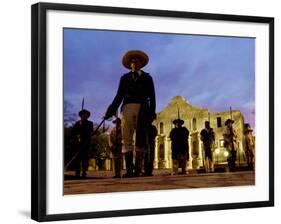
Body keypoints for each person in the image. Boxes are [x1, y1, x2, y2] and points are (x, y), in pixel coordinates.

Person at [104, 50, 156, 178]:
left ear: (141, 63)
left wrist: (152, 112)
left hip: (143, 107)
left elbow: (153, 96)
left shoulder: (148, 77)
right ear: (130, 64)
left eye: (137, 60)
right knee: (126, 137)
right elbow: (119, 95)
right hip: (127, 107)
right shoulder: (124, 78)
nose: (134, 62)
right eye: (132, 61)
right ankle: (129, 170)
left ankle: (138, 169)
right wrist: (110, 110)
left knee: (141, 138)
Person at [72, 109, 93, 178]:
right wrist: (77, 134)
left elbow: (90, 132)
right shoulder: (77, 123)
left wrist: (82, 126)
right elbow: (73, 132)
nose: (84, 116)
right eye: (83, 115)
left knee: (85, 159)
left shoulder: (90, 123)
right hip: (78, 144)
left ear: (87, 116)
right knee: (77, 158)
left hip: (86, 143)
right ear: (80, 116)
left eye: (86, 115)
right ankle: (77, 172)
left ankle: (84, 172)